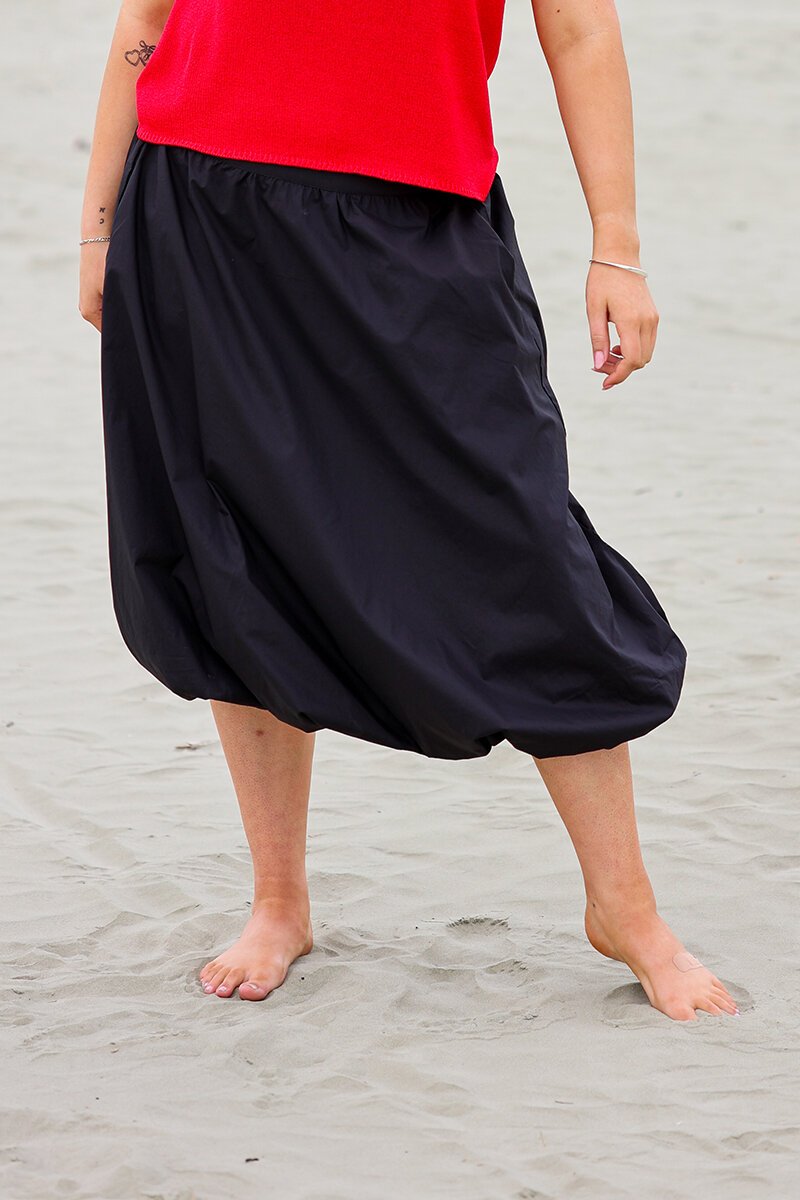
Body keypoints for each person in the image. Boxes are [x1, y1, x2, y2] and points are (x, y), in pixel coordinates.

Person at [78, 0, 738, 1022]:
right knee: (232, 546)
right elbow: (149, 15)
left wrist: (616, 244)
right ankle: (278, 902)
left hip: (414, 213)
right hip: (199, 204)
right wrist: (99, 224)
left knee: (520, 545)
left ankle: (625, 909)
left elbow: (578, 29)